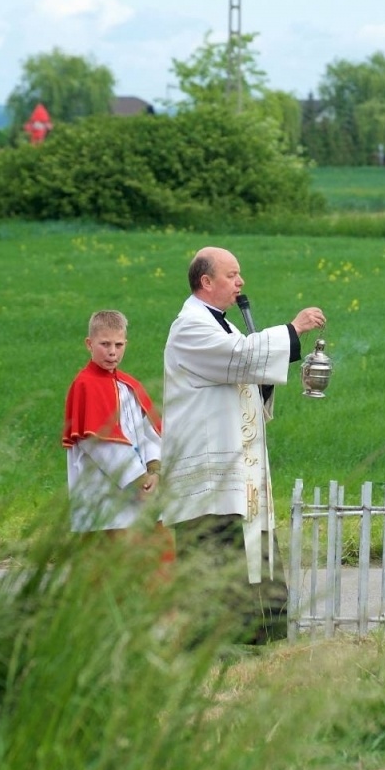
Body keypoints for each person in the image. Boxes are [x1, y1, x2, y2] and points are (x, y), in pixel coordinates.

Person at [160, 247, 325, 644]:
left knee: (249, 553)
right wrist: (293, 330)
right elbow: (239, 359)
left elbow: (244, 371)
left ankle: (259, 639)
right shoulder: (190, 326)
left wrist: (266, 375)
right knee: (216, 558)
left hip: (239, 475)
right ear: (207, 281)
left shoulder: (225, 327)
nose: (241, 282)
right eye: (233, 275)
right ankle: (215, 646)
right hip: (208, 479)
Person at [64, 309, 162, 537]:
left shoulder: (129, 385)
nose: (112, 352)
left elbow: (149, 433)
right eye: (104, 344)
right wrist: (138, 481)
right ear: (89, 344)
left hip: (143, 494)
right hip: (103, 500)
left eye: (118, 345)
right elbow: (99, 444)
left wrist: (154, 470)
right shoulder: (85, 385)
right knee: (105, 569)